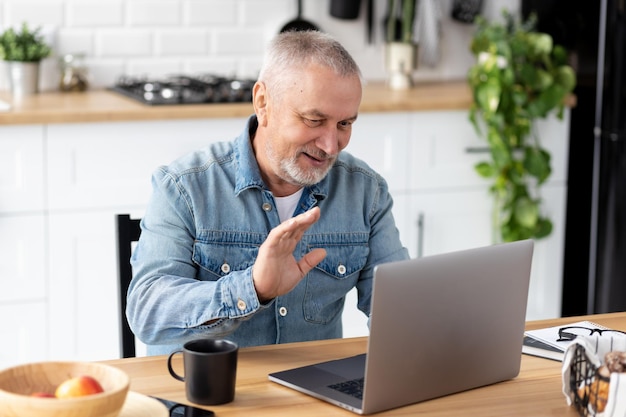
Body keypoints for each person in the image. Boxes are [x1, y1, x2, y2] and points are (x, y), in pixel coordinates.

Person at [126, 30, 409, 355]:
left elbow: (397, 311)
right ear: (263, 103)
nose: (331, 146)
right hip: (205, 397)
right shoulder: (184, 187)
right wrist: (253, 288)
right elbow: (147, 313)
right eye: (314, 120)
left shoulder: (365, 192)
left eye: (345, 124)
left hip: (313, 399)